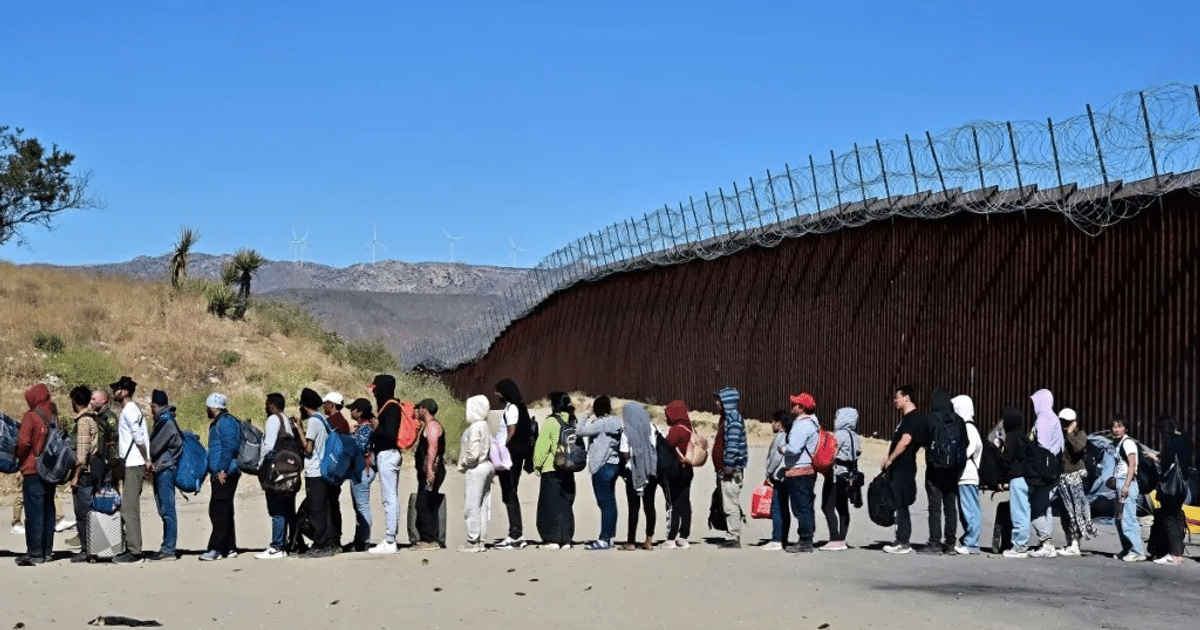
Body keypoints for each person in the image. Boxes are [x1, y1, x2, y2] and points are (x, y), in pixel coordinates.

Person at [1005, 389, 1063, 559]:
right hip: (1050, 472)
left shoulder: (1043, 419)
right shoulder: (1055, 419)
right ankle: (1047, 544)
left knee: (1022, 506)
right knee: (1040, 509)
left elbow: (1040, 445)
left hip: (1037, 471)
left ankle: (1020, 545)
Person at [881, 386, 927, 554]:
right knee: (898, 502)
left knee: (901, 503)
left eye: (897, 397)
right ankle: (900, 539)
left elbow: (905, 440)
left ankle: (903, 541)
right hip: (900, 466)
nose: (895, 400)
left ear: (907, 398)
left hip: (903, 466)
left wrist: (891, 459)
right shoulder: (906, 419)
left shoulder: (912, 419)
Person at [15, 383, 55, 566]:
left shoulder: (31, 416)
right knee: (48, 509)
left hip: (33, 469)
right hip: (51, 470)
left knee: (34, 513)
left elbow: (23, 442)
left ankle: (35, 553)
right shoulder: (54, 415)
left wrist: (19, 457)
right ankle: (47, 551)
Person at [295, 388, 337, 558]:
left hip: (315, 471)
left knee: (316, 510)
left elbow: (308, 448)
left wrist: (299, 430)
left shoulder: (313, 421)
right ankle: (328, 542)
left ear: (304, 406)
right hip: (325, 470)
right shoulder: (323, 420)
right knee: (324, 508)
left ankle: (320, 545)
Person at [576, 396, 622, 550]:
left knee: (604, 502)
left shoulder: (601, 424)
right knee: (610, 502)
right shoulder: (616, 423)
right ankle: (609, 536)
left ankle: (604, 538)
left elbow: (579, 430)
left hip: (601, 465)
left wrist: (586, 414)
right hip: (614, 464)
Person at [111, 375, 149, 564]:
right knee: (128, 507)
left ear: (124, 392)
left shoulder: (130, 410)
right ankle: (131, 548)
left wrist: (146, 458)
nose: (114, 392)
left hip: (134, 463)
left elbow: (139, 437)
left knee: (129, 509)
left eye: (117, 389)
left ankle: (135, 551)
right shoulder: (128, 410)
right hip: (131, 462)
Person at [199, 393, 241, 561]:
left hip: (226, 473)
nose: (206, 410)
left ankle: (215, 548)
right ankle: (229, 547)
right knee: (224, 510)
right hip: (221, 472)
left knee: (219, 511)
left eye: (208, 406)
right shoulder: (220, 422)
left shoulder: (226, 422)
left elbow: (230, 447)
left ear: (214, 407)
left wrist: (222, 469)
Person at [494, 378, 534, 550]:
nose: (496, 395)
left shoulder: (512, 409)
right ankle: (515, 533)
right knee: (509, 494)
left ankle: (515, 535)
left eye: (498, 391)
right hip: (512, 456)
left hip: (509, 457)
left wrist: (502, 452)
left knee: (510, 494)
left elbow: (511, 431)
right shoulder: (516, 407)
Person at [533, 392, 577, 549]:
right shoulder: (572, 421)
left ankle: (552, 539)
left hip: (551, 468)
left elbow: (542, 446)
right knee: (565, 505)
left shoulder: (551, 422)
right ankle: (566, 539)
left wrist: (536, 465)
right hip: (568, 468)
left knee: (549, 506)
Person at [258, 393, 298, 559]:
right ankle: (289, 544)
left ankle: (277, 546)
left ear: (273, 405)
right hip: (290, 470)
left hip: (277, 470)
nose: (265, 407)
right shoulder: (287, 420)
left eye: (267, 404)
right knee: (288, 508)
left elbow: (268, 446)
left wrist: (261, 465)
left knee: (276, 508)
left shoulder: (273, 419)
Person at [923, 387, 962, 554]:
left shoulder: (931, 419)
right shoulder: (958, 420)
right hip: (953, 469)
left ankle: (934, 543)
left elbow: (924, 440)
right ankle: (951, 543)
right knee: (950, 507)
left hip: (935, 468)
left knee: (934, 507)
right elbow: (964, 444)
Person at [1147, 415, 1191, 566]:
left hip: (1171, 488)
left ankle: (1174, 555)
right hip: (1182, 487)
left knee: (1169, 518)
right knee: (1176, 516)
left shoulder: (1171, 442)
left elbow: (1167, 462)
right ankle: (1173, 551)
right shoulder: (1184, 440)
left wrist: (1155, 458)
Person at [1054, 408, 1097, 557]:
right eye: (1062, 422)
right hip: (1062, 477)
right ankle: (1069, 542)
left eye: (1067, 422)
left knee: (1076, 511)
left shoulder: (1080, 435)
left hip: (1074, 476)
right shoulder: (1060, 434)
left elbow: (1078, 448)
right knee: (1065, 511)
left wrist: (1070, 433)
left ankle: (1075, 544)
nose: (1064, 424)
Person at [780, 392, 819, 553]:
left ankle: (805, 540)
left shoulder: (802, 425)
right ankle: (807, 537)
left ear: (802, 408)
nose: (792, 407)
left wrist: (782, 449)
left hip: (799, 471)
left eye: (795, 404)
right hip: (807, 471)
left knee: (800, 507)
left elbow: (794, 448)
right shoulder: (812, 424)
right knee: (806, 506)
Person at [367, 374, 402, 554]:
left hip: (388, 455)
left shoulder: (391, 408)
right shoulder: (388, 406)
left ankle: (390, 540)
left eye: (375, 388)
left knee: (390, 498)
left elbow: (389, 435)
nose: (373, 391)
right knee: (390, 497)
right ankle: (390, 538)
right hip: (386, 455)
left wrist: (376, 427)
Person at [619, 401, 660, 551]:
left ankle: (630, 542)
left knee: (633, 507)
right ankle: (649, 540)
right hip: (650, 471)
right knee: (650, 506)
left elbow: (625, 453)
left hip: (633, 472)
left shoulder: (627, 431)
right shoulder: (653, 428)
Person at [147, 389, 182, 561]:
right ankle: (167, 546)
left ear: (154, 406)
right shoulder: (165, 420)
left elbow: (154, 448)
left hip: (165, 469)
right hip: (164, 468)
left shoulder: (165, 423)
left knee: (167, 510)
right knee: (165, 509)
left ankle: (169, 548)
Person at [458, 395, 495, 552]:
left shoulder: (475, 427)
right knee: (482, 505)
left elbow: (473, 452)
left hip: (476, 468)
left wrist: (465, 462)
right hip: (487, 465)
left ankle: (472, 540)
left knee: (472, 506)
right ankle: (480, 539)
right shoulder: (484, 425)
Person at [713, 387, 748, 549]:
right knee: (726, 501)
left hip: (731, 471)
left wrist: (728, 465)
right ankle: (730, 532)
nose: (716, 403)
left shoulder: (733, 419)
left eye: (719, 400)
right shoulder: (726, 418)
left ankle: (734, 536)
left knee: (730, 503)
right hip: (724, 470)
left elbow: (733, 446)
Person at [822, 406, 861, 551]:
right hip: (850, 475)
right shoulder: (855, 437)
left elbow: (829, 453)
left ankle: (835, 538)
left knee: (827, 506)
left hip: (836, 474)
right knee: (842, 507)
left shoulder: (838, 435)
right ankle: (842, 538)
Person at [1110, 414, 1146, 562]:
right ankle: (1127, 548)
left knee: (1128, 517)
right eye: (1114, 426)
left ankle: (1137, 551)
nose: (1116, 429)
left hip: (1127, 482)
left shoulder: (1128, 443)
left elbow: (1132, 464)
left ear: (1125, 428)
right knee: (1119, 519)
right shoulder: (1118, 443)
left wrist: (1126, 485)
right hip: (1120, 481)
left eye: (1119, 426)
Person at [660, 400, 694, 549]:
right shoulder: (689, 428)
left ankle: (671, 537)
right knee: (685, 502)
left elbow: (667, 446)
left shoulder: (676, 430)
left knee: (674, 503)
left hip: (676, 471)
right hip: (688, 469)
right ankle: (684, 536)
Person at [413, 398, 446, 550]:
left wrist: (429, 469)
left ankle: (430, 540)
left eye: (420, 408)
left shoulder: (432, 426)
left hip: (431, 471)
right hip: (429, 470)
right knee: (426, 502)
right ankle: (429, 538)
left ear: (425, 409)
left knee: (425, 503)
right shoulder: (430, 425)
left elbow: (432, 448)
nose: (418, 411)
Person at [953, 395, 983, 555]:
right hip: (964, 475)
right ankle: (968, 540)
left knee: (970, 510)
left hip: (967, 474)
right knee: (966, 510)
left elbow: (968, 450)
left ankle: (972, 543)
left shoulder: (968, 428)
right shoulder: (967, 426)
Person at [347, 398, 376, 552]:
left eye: (353, 409)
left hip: (362, 471)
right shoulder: (364, 428)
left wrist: (349, 436)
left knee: (362, 506)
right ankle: (359, 541)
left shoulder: (364, 429)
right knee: (359, 507)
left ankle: (364, 541)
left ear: (359, 412)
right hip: (362, 470)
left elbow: (359, 448)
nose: (350, 411)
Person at [761, 410, 791, 551]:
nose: (772, 424)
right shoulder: (789, 435)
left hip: (779, 476)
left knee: (778, 507)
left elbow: (775, 458)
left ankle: (777, 539)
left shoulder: (781, 437)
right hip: (787, 476)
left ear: (780, 423)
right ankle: (783, 537)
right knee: (784, 508)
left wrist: (768, 473)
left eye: (773, 421)